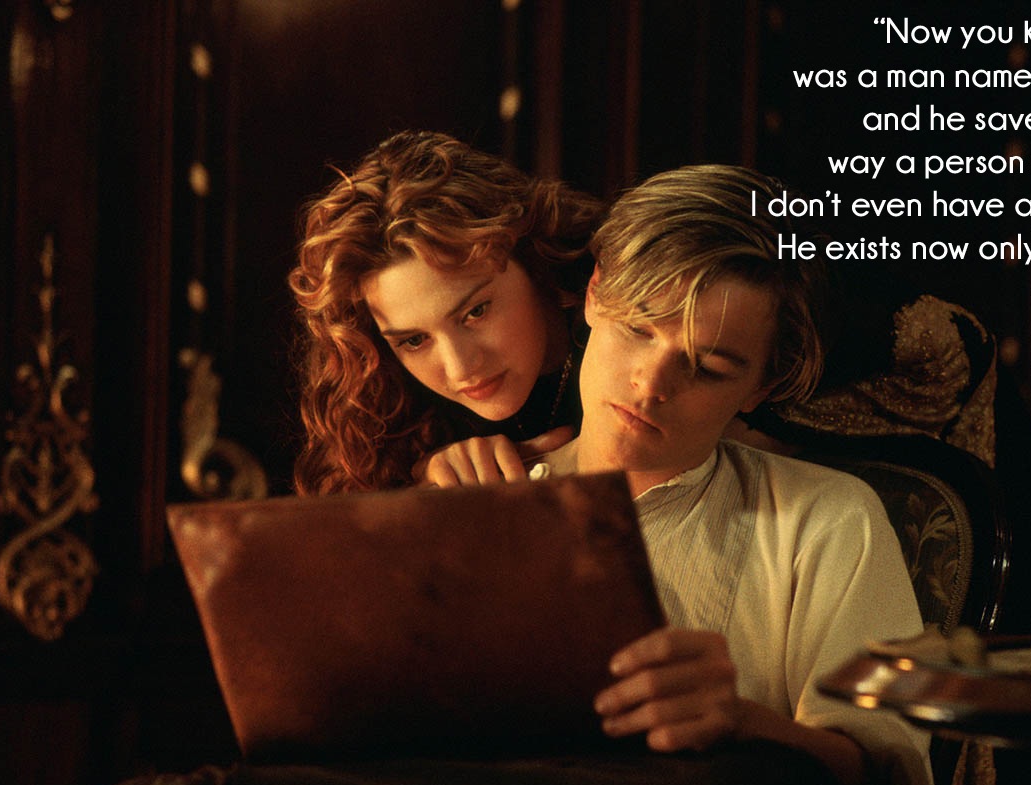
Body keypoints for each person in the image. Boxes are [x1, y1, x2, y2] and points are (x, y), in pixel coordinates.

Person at [528, 165, 931, 785]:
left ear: (761, 387)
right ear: (594, 293)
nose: (651, 385)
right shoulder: (480, 491)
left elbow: (890, 772)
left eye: (708, 367)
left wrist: (744, 724)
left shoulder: (825, 521)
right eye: (638, 329)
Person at [287, 130, 604, 495]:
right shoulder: (388, 405)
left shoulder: (632, 333)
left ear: (531, 260)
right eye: (414, 341)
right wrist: (426, 493)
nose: (460, 368)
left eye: (475, 312)